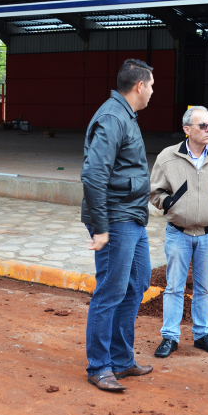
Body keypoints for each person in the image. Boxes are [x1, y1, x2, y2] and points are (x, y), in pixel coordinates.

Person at [81, 58, 155, 392]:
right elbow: (94, 174)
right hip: (116, 217)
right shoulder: (112, 118)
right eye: (151, 85)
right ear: (139, 85)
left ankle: (121, 359)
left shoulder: (126, 115)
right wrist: (100, 227)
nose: (153, 91)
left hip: (133, 217)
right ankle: (99, 366)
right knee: (110, 291)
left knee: (137, 283)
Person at [149, 106, 208, 358]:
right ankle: (170, 337)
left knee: (204, 288)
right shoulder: (167, 157)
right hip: (177, 233)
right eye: (202, 125)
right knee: (173, 288)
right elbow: (155, 192)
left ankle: (203, 335)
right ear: (187, 129)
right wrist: (170, 205)